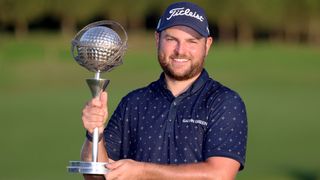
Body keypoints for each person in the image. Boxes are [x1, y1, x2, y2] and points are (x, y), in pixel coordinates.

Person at [81, 1, 248, 180]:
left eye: (192, 41)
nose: (180, 50)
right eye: (171, 39)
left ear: (207, 45)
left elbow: (219, 175)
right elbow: (96, 177)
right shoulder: (133, 103)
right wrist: (94, 134)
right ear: (157, 40)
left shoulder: (224, 102)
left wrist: (142, 171)